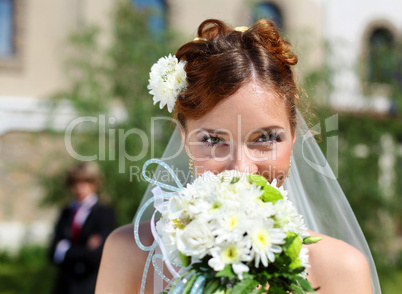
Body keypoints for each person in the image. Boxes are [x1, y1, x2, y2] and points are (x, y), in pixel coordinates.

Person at [95, 19, 380, 294]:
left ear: (294, 137)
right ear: (184, 139)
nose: (241, 170)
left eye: (266, 138)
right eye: (213, 140)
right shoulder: (130, 255)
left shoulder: (342, 270)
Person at [49, 162, 116, 294]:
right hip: (65, 284)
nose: (80, 188)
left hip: (89, 283)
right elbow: (52, 253)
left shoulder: (104, 213)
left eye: (85, 182)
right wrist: (85, 249)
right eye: (75, 183)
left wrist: (65, 250)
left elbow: (96, 255)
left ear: (94, 183)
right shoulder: (66, 212)